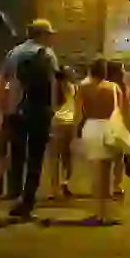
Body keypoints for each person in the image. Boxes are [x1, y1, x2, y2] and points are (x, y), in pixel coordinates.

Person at [0, 18, 60, 218]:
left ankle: (15, 193)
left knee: (16, 154)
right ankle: (28, 199)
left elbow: (2, 80)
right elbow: (54, 83)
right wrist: (52, 109)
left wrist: (2, 107)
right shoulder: (47, 54)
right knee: (35, 156)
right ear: (41, 34)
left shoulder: (14, 52)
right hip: (39, 110)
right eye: (48, 34)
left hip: (16, 109)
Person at [76, 58, 130, 225]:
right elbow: (122, 113)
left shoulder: (82, 88)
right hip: (109, 128)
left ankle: (98, 213)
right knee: (107, 174)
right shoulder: (114, 88)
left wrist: (74, 135)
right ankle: (107, 214)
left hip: (91, 127)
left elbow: (78, 115)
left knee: (96, 174)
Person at [105, 60, 130, 198]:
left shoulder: (105, 87)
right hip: (119, 124)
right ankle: (117, 185)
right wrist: (128, 128)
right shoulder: (124, 88)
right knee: (118, 157)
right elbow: (126, 110)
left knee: (107, 157)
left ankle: (106, 185)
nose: (123, 72)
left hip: (106, 123)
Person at [47, 67, 78, 200]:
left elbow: (52, 107)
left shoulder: (53, 89)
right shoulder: (72, 88)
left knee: (54, 158)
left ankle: (53, 189)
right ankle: (65, 182)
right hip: (69, 123)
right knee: (68, 156)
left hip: (55, 123)